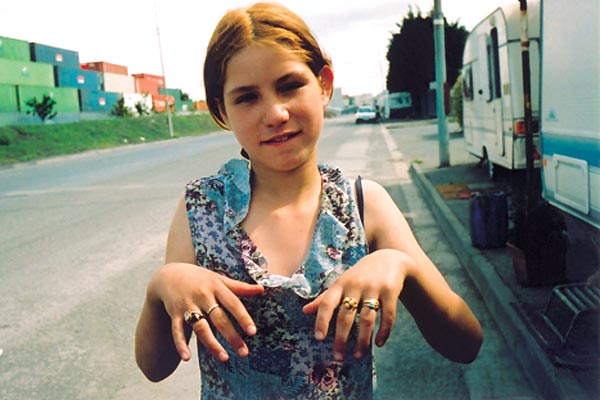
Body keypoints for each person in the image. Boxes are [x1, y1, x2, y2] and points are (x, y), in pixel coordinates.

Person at [135, 2, 483, 398]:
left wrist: (401, 266)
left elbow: (466, 344)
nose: (276, 113)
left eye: (289, 85)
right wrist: (160, 287)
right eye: (247, 97)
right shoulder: (201, 210)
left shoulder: (364, 206)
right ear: (221, 111)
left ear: (324, 84)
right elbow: (154, 368)